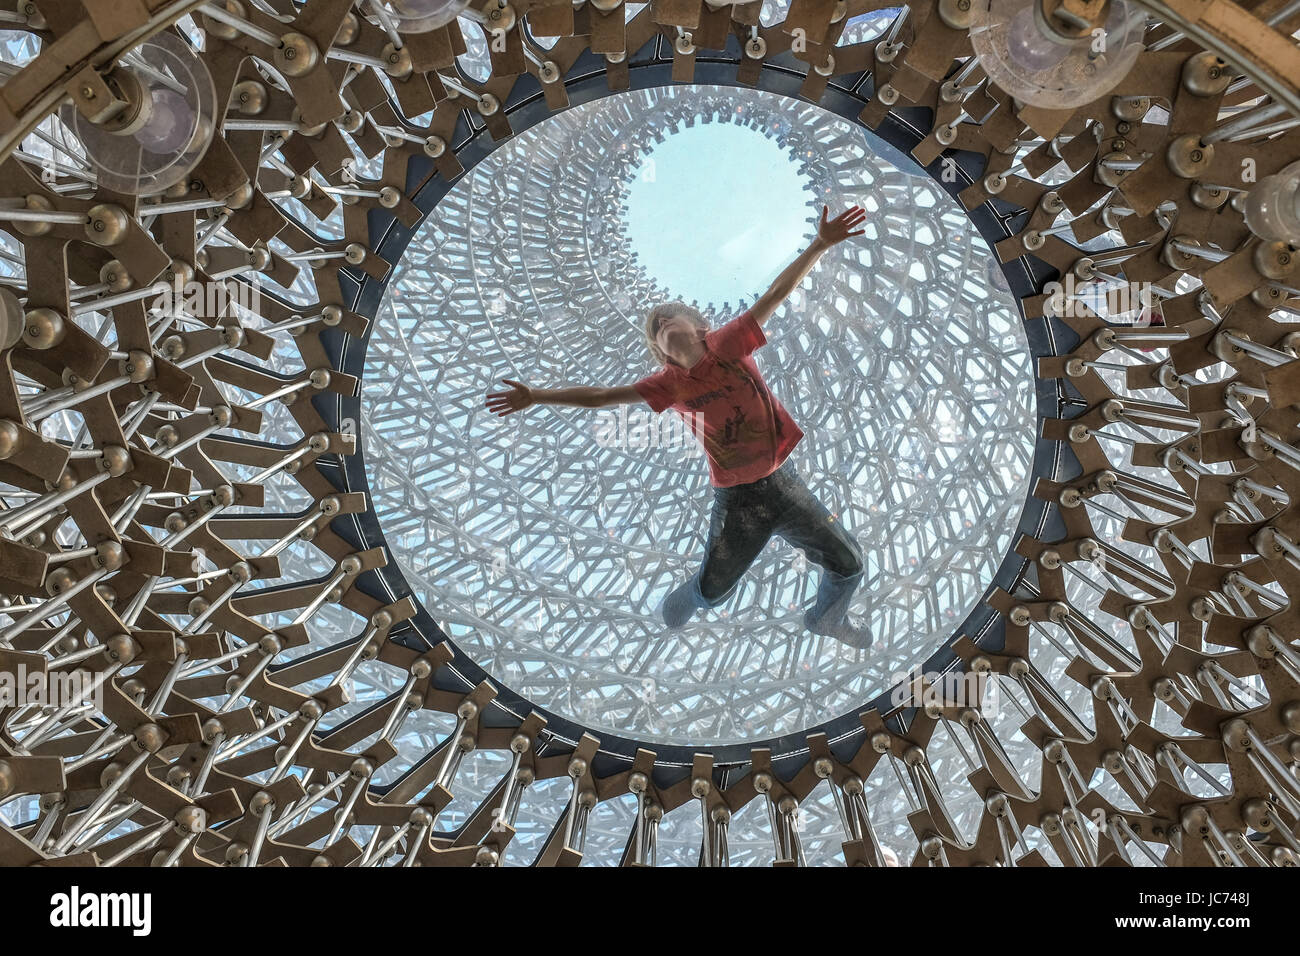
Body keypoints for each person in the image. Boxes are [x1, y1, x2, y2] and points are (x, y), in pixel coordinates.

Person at [485, 205, 872, 648]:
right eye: (655, 329)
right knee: (715, 590)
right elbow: (601, 397)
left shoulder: (727, 344)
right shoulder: (667, 384)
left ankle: (826, 619)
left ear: (702, 327)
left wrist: (819, 244)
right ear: (660, 353)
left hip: (785, 484)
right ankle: (693, 594)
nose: (661, 324)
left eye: (669, 318)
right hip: (739, 498)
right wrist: (536, 395)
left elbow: (775, 294)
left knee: (850, 563)